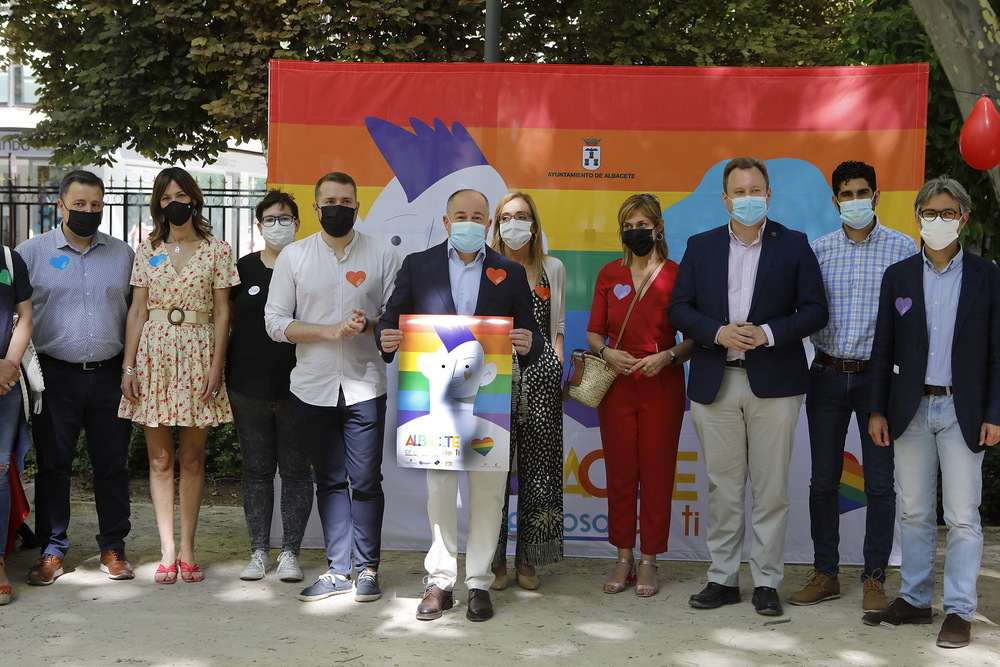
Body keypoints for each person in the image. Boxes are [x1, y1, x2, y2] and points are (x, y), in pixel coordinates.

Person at [669, 157, 828, 617]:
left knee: (772, 489)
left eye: (756, 189)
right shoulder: (700, 247)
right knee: (723, 488)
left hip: (775, 386)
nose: (748, 198)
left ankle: (766, 582)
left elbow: (815, 310)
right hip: (715, 384)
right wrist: (717, 332)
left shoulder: (794, 245)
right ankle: (721, 578)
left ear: (769, 194)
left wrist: (769, 332)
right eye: (739, 191)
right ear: (725, 199)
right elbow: (680, 309)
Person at [377, 188, 543, 622]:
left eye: (478, 216)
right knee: (440, 492)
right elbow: (391, 320)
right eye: (461, 216)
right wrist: (387, 337)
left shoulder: (509, 271)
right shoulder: (419, 265)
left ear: (488, 224)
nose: (470, 223)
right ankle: (440, 580)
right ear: (447, 222)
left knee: (489, 494)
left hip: (488, 402)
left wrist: (528, 342)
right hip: (437, 403)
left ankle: (479, 583)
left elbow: (531, 334)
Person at [863, 177, 1000, 650]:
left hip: (964, 409)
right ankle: (917, 599)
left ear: (963, 218)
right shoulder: (898, 276)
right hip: (910, 409)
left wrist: (995, 412)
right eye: (929, 213)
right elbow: (883, 348)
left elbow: (998, 351)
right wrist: (877, 409)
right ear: (917, 216)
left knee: (962, 515)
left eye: (947, 214)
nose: (937, 222)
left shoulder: (987, 276)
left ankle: (960, 610)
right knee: (917, 510)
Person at [264, 172, 401, 603]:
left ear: (358, 206)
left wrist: (370, 323)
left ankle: (368, 570)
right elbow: (274, 323)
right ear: (316, 206)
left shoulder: (383, 254)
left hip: (365, 385)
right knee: (328, 481)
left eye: (346, 200)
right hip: (312, 388)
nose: (337, 207)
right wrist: (329, 331)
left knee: (365, 481)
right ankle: (338, 570)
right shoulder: (294, 256)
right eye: (329, 200)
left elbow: (398, 316)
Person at [791, 161, 917, 612]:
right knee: (823, 479)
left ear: (877, 197)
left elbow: (912, 324)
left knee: (880, 484)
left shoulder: (904, 249)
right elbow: (803, 312)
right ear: (835, 201)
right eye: (847, 194)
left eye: (863, 192)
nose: (856, 201)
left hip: (878, 382)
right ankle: (825, 573)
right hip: (825, 374)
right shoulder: (818, 250)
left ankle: (875, 579)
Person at [119, 166, 239, 584]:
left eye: (181, 196)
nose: (175, 204)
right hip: (153, 354)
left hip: (198, 351)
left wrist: (217, 363)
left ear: (194, 199)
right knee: (159, 458)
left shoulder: (218, 250)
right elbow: (137, 309)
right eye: (166, 198)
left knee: (190, 457)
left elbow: (224, 311)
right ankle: (166, 551)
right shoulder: (145, 250)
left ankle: (188, 548)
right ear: (158, 203)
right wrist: (128, 366)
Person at [16, 170, 135, 585]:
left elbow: (136, 315)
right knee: (53, 466)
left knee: (112, 466)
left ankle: (113, 547)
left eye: (96, 205)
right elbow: (14, 314)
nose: (88, 212)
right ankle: (52, 550)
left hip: (110, 376)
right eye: (80, 204)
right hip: (55, 376)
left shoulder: (123, 255)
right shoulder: (29, 253)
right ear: (61, 205)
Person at [585, 193, 693, 598]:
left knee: (658, 473)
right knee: (620, 473)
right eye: (628, 226)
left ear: (658, 227)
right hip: (615, 386)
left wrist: (667, 357)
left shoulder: (679, 274)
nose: (635, 232)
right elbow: (595, 331)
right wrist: (605, 351)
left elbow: (694, 340)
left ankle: (650, 560)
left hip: (662, 386)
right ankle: (623, 556)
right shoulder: (608, 273)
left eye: (642, 225)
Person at [228, 190, 312, 583]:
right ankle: (259, 551)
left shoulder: (311, 266)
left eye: (286, 218)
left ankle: (291, 552)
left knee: (296, 472)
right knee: (257, 471)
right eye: (271, 219)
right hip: (247, 386)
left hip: (301, 387)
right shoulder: (241, 269)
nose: (279, 225)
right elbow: (224, 323)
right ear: (259, 226)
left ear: (298, 223)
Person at [487, 192, 565, 591]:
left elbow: (558, 328)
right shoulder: (485, 269)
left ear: (534, 224)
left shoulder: (553, 268)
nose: (513, 224)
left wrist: (556, 367)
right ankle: (494, 561)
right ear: (496, 225)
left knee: (540, 474)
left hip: (541, 381)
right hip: (494, 382)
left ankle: (530, 561)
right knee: (493, 473)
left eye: (521, 216)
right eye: (505, 217)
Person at [0, 243, 32, 604]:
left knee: (0, 470)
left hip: (4, 384)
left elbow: (25, 316)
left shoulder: (10, 259)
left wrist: (7, 366)